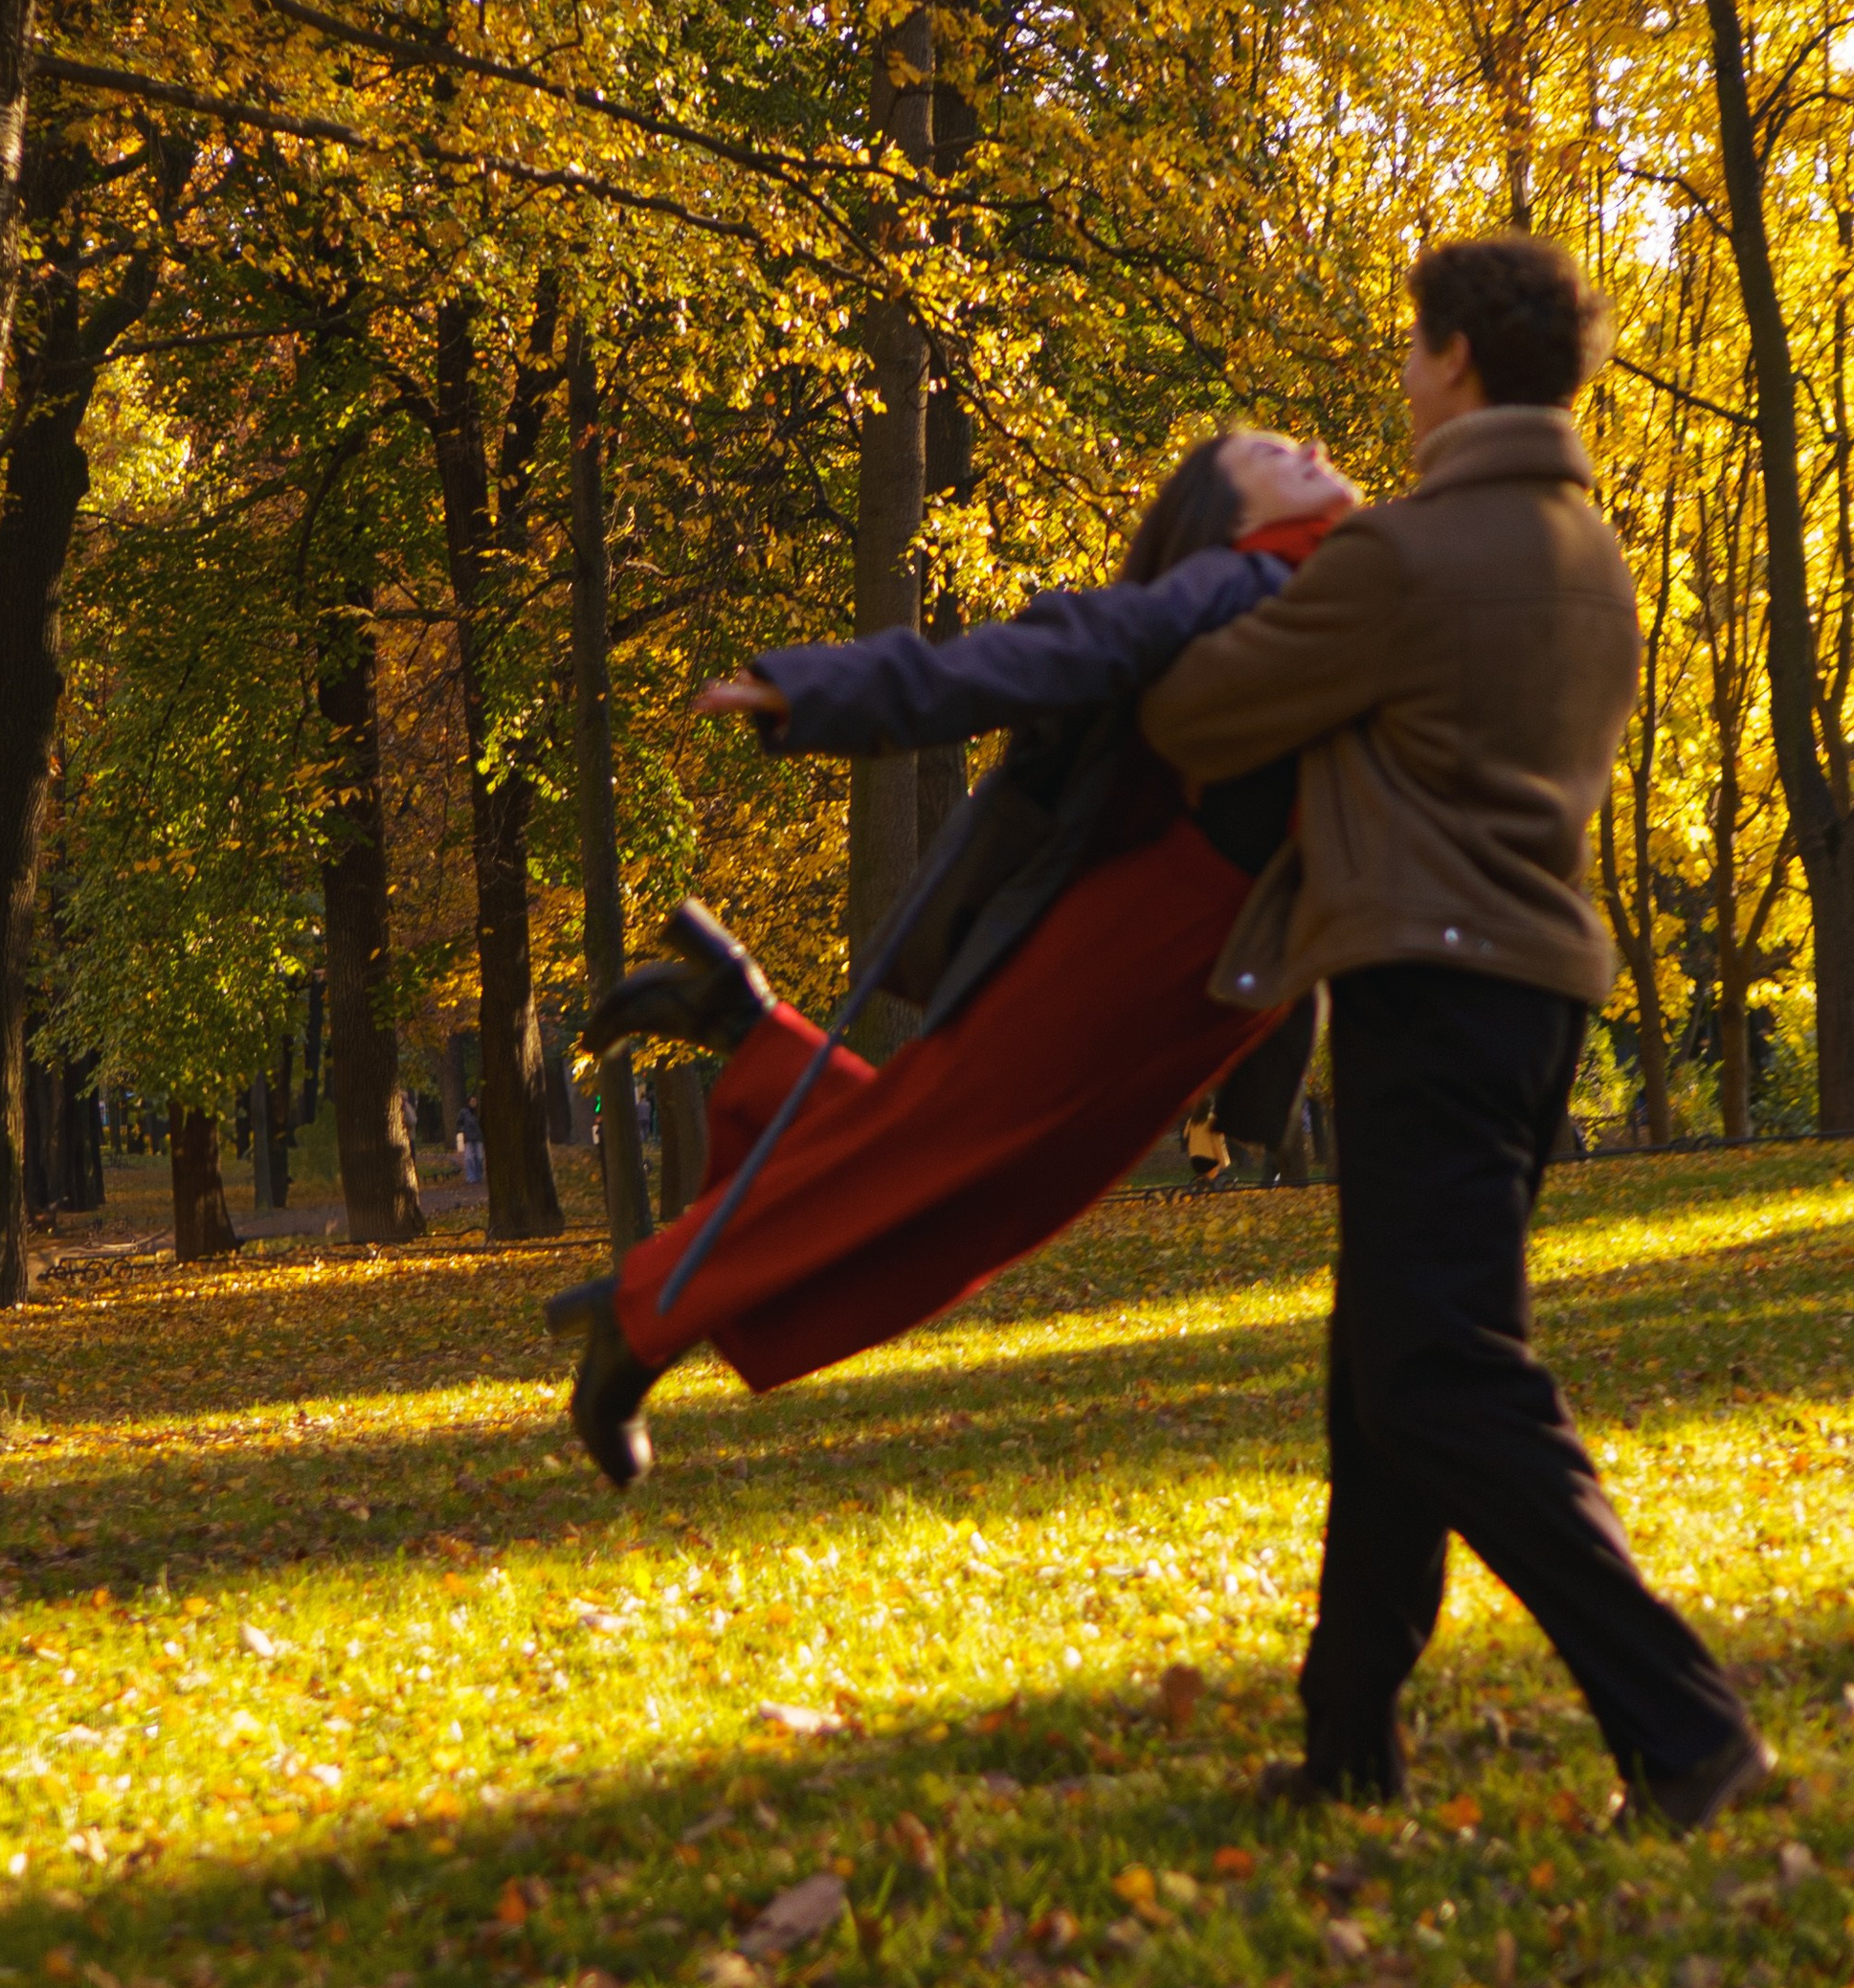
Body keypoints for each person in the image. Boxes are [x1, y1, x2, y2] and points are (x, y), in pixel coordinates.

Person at [1142, 234, 1767, 1835]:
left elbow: (1197, 715)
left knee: (1441, 1372)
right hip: (1537, 989)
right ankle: (1349, 1739)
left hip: (1432, 988)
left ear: (1464, 364)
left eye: (1418, 350)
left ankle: (1687, 1728)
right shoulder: (1590, 549)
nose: (1405, 377)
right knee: (1384, 1373)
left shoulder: (1409, 561)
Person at [545, 426, 1354, 1483]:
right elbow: (1049, 651)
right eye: (1260, 453)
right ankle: (647, 1308)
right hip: (1148, 938)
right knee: (954, 1175)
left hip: (1218, 970)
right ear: (1219, 511)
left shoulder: (1359, 575)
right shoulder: (1247, 580)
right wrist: (834, 694)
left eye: (1296, 440)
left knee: (976, 1181)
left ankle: (739, 1032)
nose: (1296, 447)